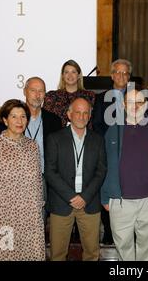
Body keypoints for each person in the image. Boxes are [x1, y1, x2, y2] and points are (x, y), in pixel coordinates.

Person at [101, 88, 148, 261]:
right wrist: (105, 196)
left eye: (139, 102)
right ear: (123, 104)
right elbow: (104, 164)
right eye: (130, 102)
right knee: (124, 247)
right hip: (120, 201)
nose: (135, 106)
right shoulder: (113, 130)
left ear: (145, 105)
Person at [0, 99, 45, 261]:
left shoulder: (33, 146)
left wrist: (37, 212)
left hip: (29, 220)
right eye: (14, 117)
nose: (19, 121)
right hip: (3, 221)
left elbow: (37, 184)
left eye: (23, 117)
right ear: (5, 120)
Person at [44, 97, 107, 261]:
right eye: (78, 112)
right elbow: (50, 172)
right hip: (62, 202)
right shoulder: (54, 138)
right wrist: (71, 196)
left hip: (89, 202)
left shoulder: (98, 140)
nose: (82, 116)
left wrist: (84, 197)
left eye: (86, 113)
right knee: (57, 254)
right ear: (69, 114)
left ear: (90, 116)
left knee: (92, 254)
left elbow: (101, 171)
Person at [0, 77, 62, 222]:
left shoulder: (54, 120)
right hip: (14, 181)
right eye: (33, 90)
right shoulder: (11, 118)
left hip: (43, 180)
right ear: (25, 91)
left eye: (41, 91)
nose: (37, 94)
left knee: (38, 223)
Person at [92, 58, 132, 244]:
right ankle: (109, 232)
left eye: (125, 73)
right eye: (118, 72)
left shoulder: (137, 97)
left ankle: (129, 232)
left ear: (129, 76)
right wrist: (113, 140)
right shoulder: (101, 98)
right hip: (109, 153)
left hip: (132, 154)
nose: (121, 76)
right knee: (109, 191)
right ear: (112, 75)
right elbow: (97, 124)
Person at [43, 59, 96, 127]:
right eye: (66, 72)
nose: (70, 75)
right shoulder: (52, 96)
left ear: (79, 75)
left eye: (73, 72)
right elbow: (46, 121)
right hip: (57, 136)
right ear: (62, 76)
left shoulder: (89, 96)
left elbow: (92, 122)